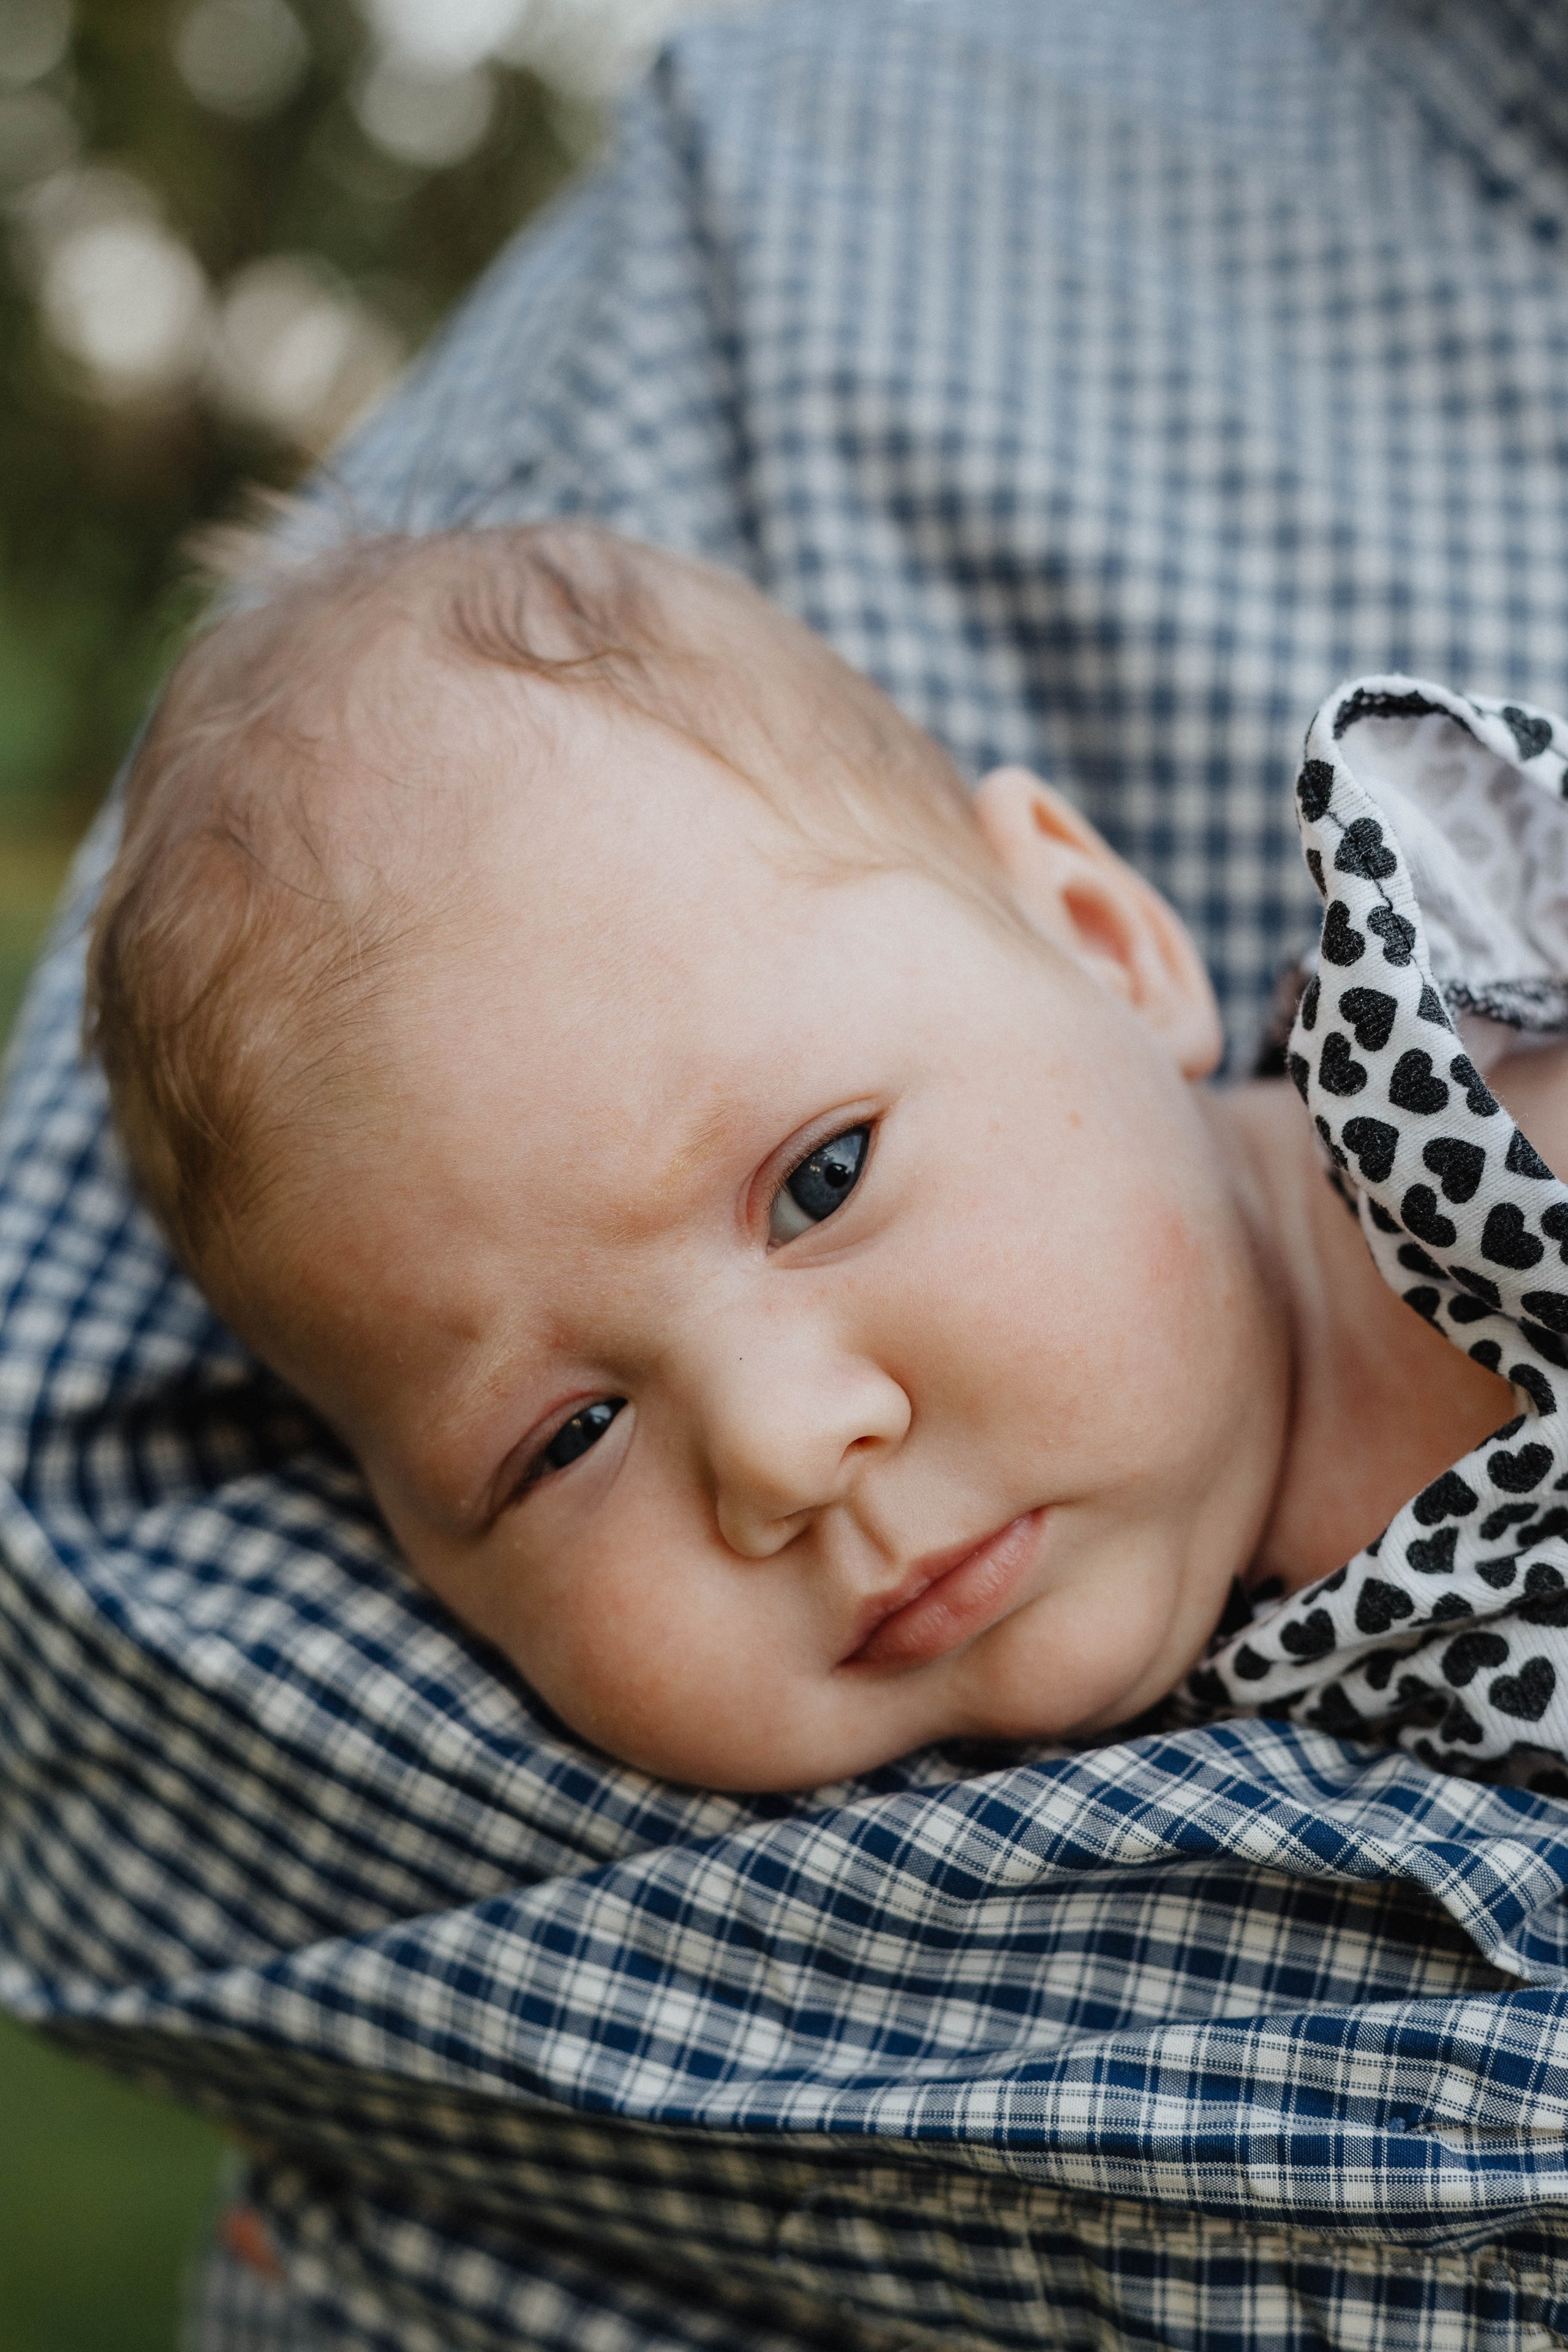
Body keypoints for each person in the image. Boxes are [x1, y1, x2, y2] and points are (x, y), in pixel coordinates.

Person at [85, 519, 1568, 1794]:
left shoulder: (1475, 1153)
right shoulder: (1063, 1839)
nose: (777, 1449)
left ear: (1102, 945)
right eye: (567, 1438)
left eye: (821, 1180)